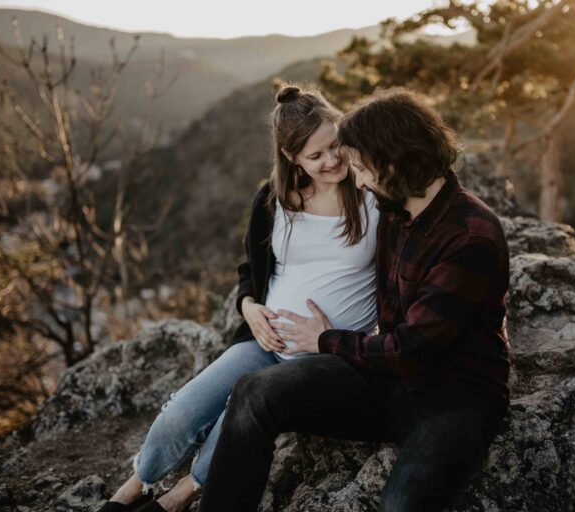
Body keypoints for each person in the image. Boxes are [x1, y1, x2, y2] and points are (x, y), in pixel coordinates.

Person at [198, 89, 511, 512]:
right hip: (388, 381)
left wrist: (326, 340)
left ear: (394, 162)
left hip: (455, 397)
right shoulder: (397, 211)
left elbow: (410, 350)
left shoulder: (470, 236)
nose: (358, 180)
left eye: (362, 168)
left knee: (399, 506)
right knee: (253, 392)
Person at [96, 84, 379, 512]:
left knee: (235, 426)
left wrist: (341, 339)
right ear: (292, 157)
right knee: (182, 412)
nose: (331, 160)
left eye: (335, 144)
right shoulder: (273, 199)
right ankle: (136, 483)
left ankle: (181, 494)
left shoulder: (373, 194)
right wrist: (249, 308)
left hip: (322, 356)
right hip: (263, 341)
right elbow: (251, 269)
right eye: (315, 156)